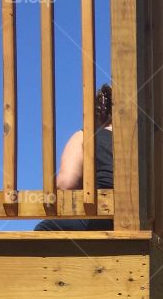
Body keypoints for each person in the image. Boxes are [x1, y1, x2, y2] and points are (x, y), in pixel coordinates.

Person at [35, 83, 114, 231]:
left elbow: (65, 184)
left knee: (46, 228)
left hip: (103, 217)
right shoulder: (149, 141)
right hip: (151, 221)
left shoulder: (86, 136)